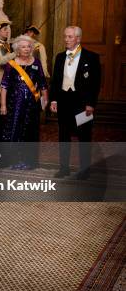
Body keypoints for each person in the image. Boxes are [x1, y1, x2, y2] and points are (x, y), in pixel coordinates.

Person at [49, 26, 101, 180]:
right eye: (65, 36)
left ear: (78, 39)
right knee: (63, 136)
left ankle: (85, 169)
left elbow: (95, 83)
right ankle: (64, 168)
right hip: (64, 102)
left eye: (70, 37)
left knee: (84, 136)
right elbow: (56, 81)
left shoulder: (91, 57)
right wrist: (54, 99)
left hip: (82, 104)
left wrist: (91, 103)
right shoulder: (59, 57)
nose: (66, 39)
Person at [0, 35, 48, 169]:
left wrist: (45, 100)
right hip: (14, 104)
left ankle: (29, 161)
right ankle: (14, 160)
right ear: (17, 49)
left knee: (30, 132)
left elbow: (43, 83)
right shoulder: (11, 64)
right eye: (23, 47)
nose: (26, 49)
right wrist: (3, 105)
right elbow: (4, 86)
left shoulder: (36, 62)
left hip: (32, 105)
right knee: (15, 130)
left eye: (28, 46)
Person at [0, 21, 16, 89]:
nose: (7, 31)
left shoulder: (6, 44)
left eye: (7, 29)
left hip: (8, 75)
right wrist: (15, 53)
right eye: (5, 29)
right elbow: (0, 61)